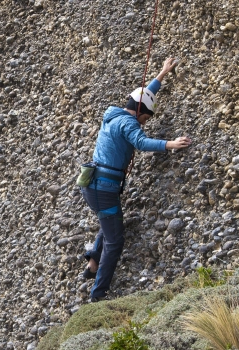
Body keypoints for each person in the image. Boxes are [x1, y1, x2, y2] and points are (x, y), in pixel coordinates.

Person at [80, 57, 192, 302]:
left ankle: (91, 263)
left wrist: (162, 73)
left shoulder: (114, 116)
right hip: (104, 188)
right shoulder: (128, 123)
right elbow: (141, 142)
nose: (146, 121)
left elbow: (142, 96)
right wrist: (171, 144)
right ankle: (97, 295)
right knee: (115, 240)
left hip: (93, 186)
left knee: (108, 220)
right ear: (140, 112)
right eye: (147, 117)